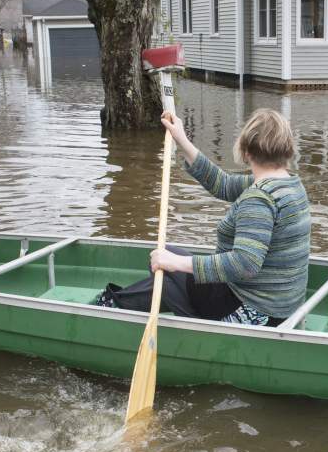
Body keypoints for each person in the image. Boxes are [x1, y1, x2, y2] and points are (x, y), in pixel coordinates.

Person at [95, 108, 311, 326]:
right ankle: (116, 303)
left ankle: (113, 308)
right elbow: (224, 185)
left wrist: (178, 263)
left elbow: (244, 264)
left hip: (253, 311)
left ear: (246, 152)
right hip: (280, 306)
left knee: (167, 267)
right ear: (286, 149)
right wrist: (182, 140)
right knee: (166, 255)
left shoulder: (259, 198)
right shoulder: (289, 184)